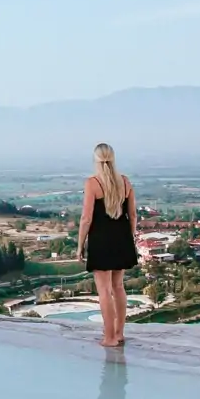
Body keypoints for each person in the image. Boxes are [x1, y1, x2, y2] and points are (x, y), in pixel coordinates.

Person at [77, 143, 138, 347]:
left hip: (101, 241)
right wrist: (127, 238)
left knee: (104, 291)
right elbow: (133, 216)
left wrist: (80, 246)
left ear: (96, 159)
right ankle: (119, 334)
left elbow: (86, 218)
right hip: (122, 239)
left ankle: (109, 338)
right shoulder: (125, 182)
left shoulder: (92, 183)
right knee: (118, 287)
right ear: (113, 158)